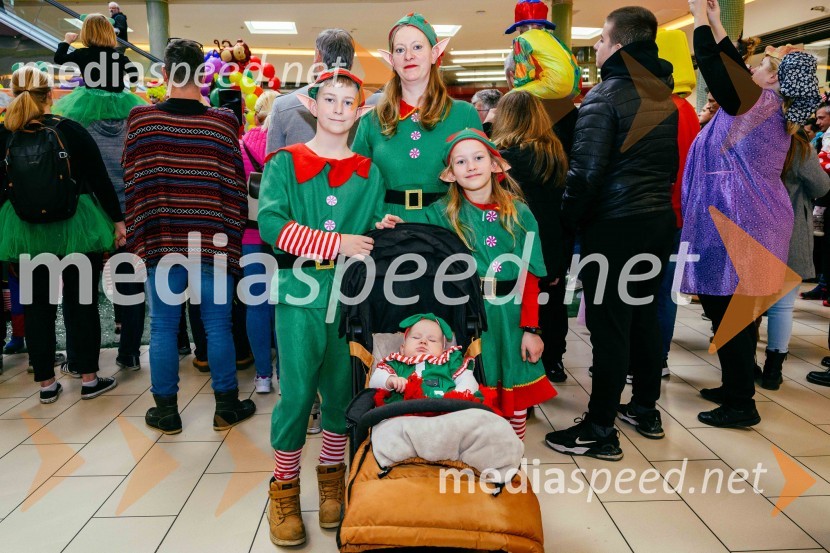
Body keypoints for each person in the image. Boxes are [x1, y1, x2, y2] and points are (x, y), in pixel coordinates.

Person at [258, 69, 385, 547]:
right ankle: (284, 488)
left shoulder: (371, 171)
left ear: (358, 111)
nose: (337, 108)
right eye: (328, 99)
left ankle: (331, 479)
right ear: (312, 106)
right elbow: (272, 224)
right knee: (295, 396)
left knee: (338, 392)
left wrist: (382, 226)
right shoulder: (284, 163)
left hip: (351, 297)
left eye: (347, 102)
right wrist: (336, 242)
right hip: (299, 293)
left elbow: (370, 226)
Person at [681, 0, 821, 427]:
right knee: (729, 312)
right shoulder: (766, 105)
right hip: (751, 220)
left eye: (757, 67)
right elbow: (727, 65)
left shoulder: (757, 105)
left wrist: (699, 18)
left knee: (732, 316)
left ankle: (742, 403)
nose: (749, 70)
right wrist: (718, 21)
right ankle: (734, 385)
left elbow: (716, 65)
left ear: (773, 79)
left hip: (741, 223)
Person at [547, 6, 678, 461]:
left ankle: (600, 428)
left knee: (608, 327)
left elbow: (584, 175)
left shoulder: (604, 97)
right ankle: (644, 408)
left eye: (601, 41)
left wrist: (567, 221)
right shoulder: (663, 95)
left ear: (618, 44)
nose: (597, 49)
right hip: (658, 223)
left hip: (615, 227)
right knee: (642, 316)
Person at [381, 129, 557, 441]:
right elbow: (416, 233)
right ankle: (479, 456)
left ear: (494, 165)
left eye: (478, 158)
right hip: (467, 316)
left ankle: (512, 457)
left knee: (514, 395)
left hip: (511, 317)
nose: (471, 166)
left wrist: (532, 329)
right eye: (461, 162)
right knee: (474, 391)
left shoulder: (520, 213)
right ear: (451, 174)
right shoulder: (442, 213)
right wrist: (396, 227)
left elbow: (530, 276)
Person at [123, 39, 255, 435]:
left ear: (165, 74)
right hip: (212, 242)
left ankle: (166, 412)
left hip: (161, 242)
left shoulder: (143, 120)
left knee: (163, 326)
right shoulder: (222, 122)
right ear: (203, 75)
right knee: (218, 325)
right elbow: (236, 186)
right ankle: (226, 407)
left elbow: (133, 182)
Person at [0, 66, 124, 402]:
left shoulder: (4, 134)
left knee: (38, 304)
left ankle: (46, 385)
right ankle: (87, 378)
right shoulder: (70, 130)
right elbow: (99, 180)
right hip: (77, 226)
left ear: (13, 94)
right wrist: (117, 220)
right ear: (50, 95)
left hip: (24, 230)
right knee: (81, 301)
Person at [353, 13, 482, 222]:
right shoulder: (372, 121)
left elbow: (482, 184)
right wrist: (376, 219)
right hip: (388, 235)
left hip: (448, 231)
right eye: (400, 50)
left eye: (417, 47)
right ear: (391, 60)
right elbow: (358, 186)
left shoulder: (464, 114)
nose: (408, 56)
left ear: (434, 54)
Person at [490, 91, 570, 383]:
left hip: (511, 246)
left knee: (520, 308)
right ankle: (553, 362)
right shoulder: (556, 156)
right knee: (552, 304)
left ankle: (523, 369)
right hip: (550, 243)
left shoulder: (500, 160)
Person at [762, 129, 830, 390]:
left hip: (752, 230)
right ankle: (773, 370)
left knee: (747, 306)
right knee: (782, 307)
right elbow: (822, 186)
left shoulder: (751, 141)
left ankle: (744, 366)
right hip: (789, 234)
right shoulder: (800, 149)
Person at [240, 89, 279, 393]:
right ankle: (286, 375)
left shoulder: (240, 147)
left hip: (250, 234)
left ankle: (263, 376)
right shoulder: (289, 146)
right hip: (284, 236)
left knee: (256, 304)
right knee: (285, 303)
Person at [265, 29, 356, 154]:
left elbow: (272, 167)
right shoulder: (375, 108)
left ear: (318, 57)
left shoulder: (283, 106)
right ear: (351, 62)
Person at [52, 14, 144, 127]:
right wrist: (132, 89)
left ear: (86, 32)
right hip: (117, 102)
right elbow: (134, 72)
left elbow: (59, 58)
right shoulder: (117, 55)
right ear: (110, 33)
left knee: (90, 128)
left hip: (90, 103)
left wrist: (66, 41)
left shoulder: (82, 54)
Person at [370, 314, 480, 403]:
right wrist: (390, 380)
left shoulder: (449, 362)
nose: (423, 341)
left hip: (446, 410)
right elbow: (374, 381)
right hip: (404, 413)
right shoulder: (396, 363)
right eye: (416, 337)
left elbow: (469, 381)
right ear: (402, 349)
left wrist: (457, 397)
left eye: (432, 340)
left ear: (443, 350)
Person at [504, 0, 581, 100]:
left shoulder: (521, 39)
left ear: (519, 28)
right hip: (574, 88)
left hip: (554, 86)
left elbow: (524, 77)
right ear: (543, 25)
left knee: (511, 96)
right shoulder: (554, 39)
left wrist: (515, 90)